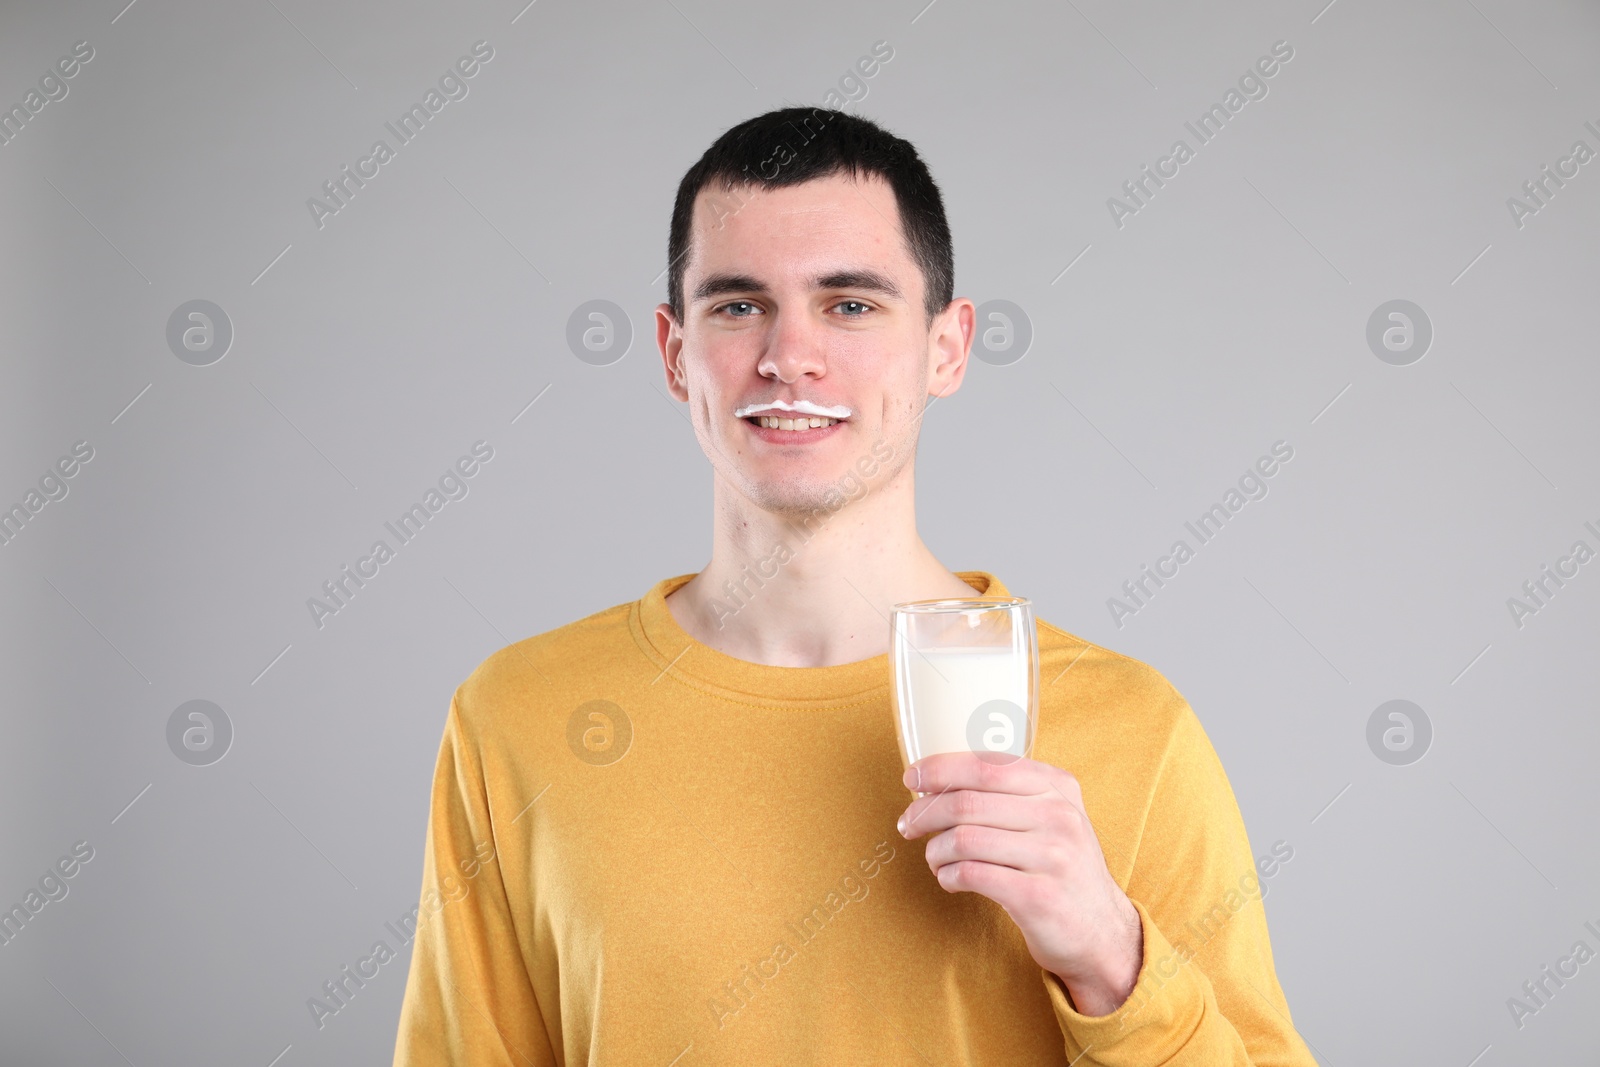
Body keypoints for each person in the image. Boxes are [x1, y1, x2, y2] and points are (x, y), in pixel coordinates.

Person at [393, 106, 1318, 1065]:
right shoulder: (515, 719)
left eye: (851, 305)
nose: (790, 354)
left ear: (947, 347)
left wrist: (1114, 962)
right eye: (739, 305)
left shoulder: (1136, 730)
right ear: (676, 354)